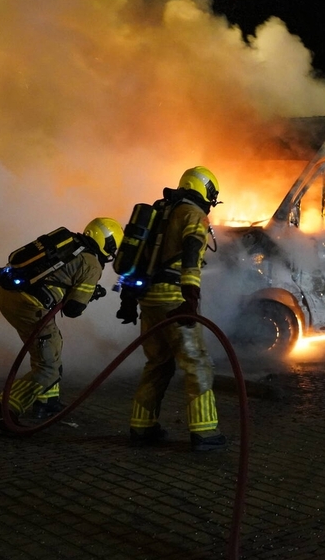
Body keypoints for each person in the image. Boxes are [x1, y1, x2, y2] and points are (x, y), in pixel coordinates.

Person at [117, 166, 227, 452]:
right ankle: (205, 433)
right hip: (174, 300)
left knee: (158, 363)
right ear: (206, 190)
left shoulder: (159, 213)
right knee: (197, 364)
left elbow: (138, 258)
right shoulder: (192, 214)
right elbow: (191, 255)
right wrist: (189, 299)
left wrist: (128, 301)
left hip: (147, 299)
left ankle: (142, 426)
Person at [0, 217, 124, 436]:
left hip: (9, 296)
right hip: (29, 306)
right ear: (107, 243)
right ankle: (4, 411)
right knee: (48, 367)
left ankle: (47, 402)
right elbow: (74, 309)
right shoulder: (92, 263)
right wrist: (89, 294)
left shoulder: (69, 242)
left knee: (51, 345)